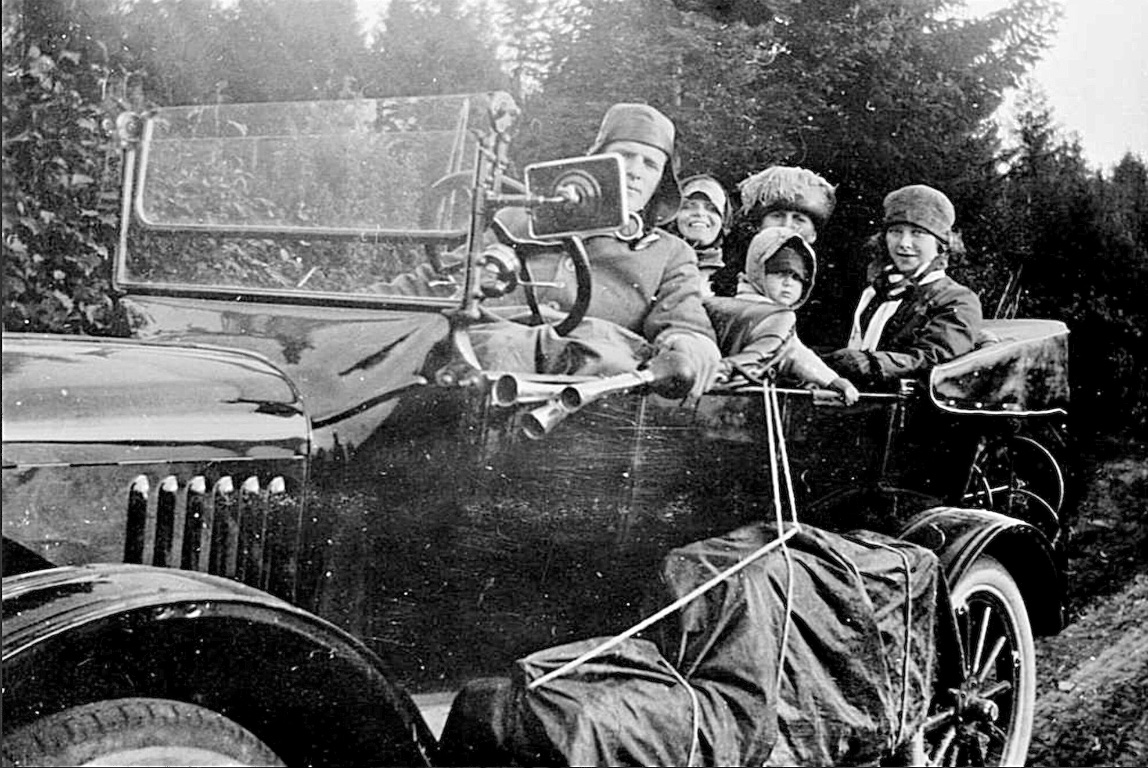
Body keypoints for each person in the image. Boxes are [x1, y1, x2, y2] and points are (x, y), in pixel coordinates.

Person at [469, 102, 721, 398]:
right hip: (483, 350)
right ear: (596, 162)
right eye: (624, 156)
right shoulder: (516, 220)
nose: (634, 171)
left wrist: (688, 341)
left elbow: (683, 319)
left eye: (650, 165)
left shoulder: (669, 253)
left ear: (659, 184)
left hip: (586, 377)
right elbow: (449, 276)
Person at [822, 184, 982, 389]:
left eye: (918, 233)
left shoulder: (956, 299)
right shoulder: (876, 292)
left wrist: (870, 364)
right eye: (896, 231)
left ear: (941, 244)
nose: (904, 243)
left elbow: (937, 360)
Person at [705, 227, 859, 404]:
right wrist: (831, 380)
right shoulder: (774, 316)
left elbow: (792, 352)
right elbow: (793, 353)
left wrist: (831, 380)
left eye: (797, 277)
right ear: (758, 270)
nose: (788, 283)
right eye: (779, 272)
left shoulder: (733, 306)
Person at [667, 174, 731, 297]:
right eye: (689, 206)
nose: (700, 213)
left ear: (723, 221)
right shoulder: (656, 266)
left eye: (712, 209)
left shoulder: (734, 278)